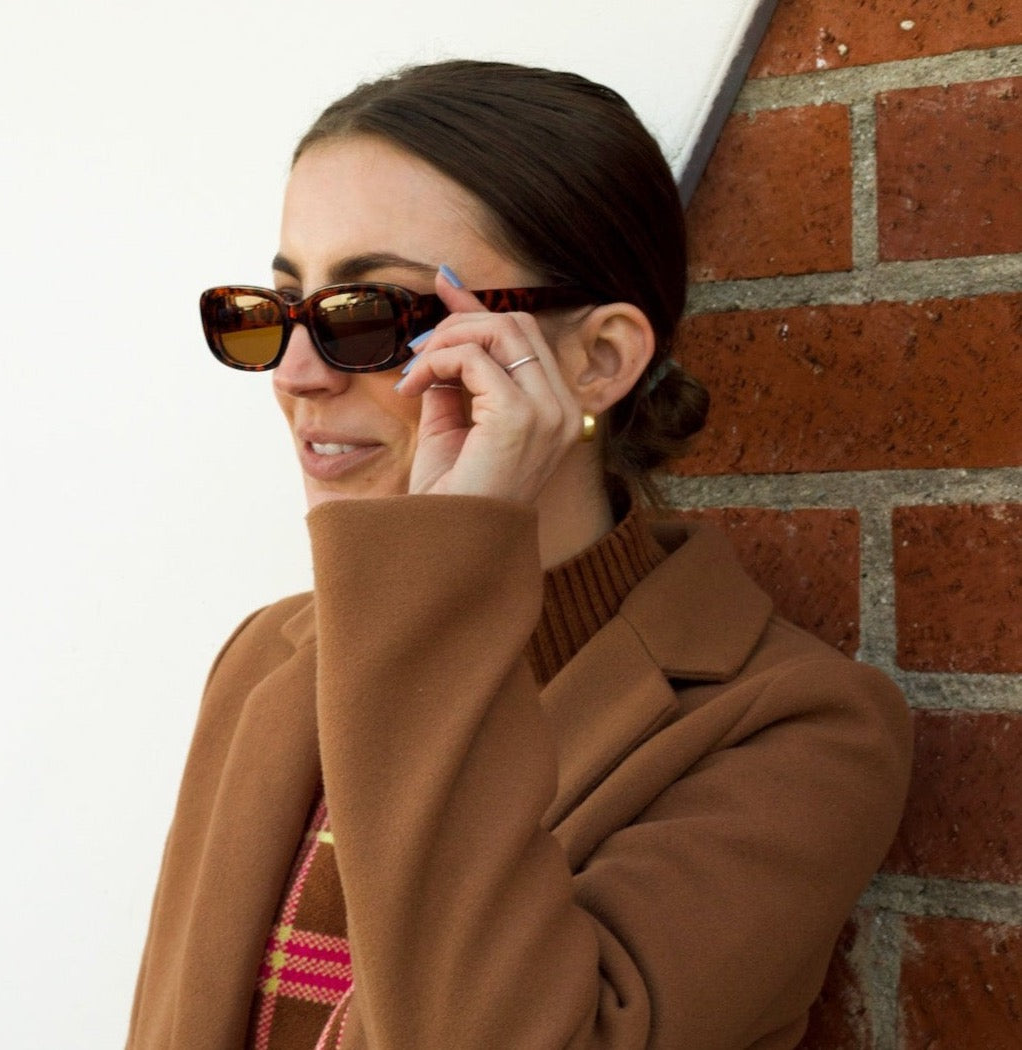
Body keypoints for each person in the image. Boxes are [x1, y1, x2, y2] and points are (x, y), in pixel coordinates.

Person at [126, 60, 912, 1050]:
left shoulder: (793, 731)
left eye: (373, 316)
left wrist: (443, 567)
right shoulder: (271, 657)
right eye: (275, 311)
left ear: (597, 360)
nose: (297, 373)